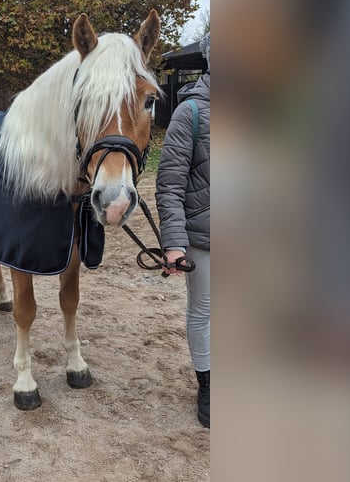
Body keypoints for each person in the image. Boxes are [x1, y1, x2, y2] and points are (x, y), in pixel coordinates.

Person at [155, 32, 210, 428]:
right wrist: (174, 244)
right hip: (205, 238)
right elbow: (170, 184)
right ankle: (209, 385)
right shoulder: (190, 114)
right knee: (205, 311)